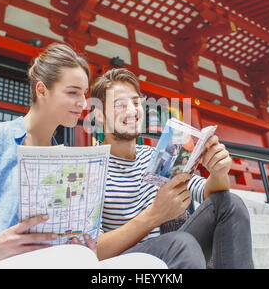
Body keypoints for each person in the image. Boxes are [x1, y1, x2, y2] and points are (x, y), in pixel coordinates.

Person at [0, 44, 166, 269]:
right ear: (42, 90)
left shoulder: (69, 162)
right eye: (72, 92)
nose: (83, 103)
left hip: (47, 262)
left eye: (85, 94)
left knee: (149, 264)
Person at [91, 68, 254, 269]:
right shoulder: (90, 168)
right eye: (120, 105)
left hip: (174, 252)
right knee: (181, 244)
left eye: (135, 102)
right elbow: (93, 249)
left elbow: (208, 193)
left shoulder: (157, 156)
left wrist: (218, 173)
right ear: (99, 114)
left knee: (230, 203)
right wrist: (155, 215)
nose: (132, 111)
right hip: (125, 262)